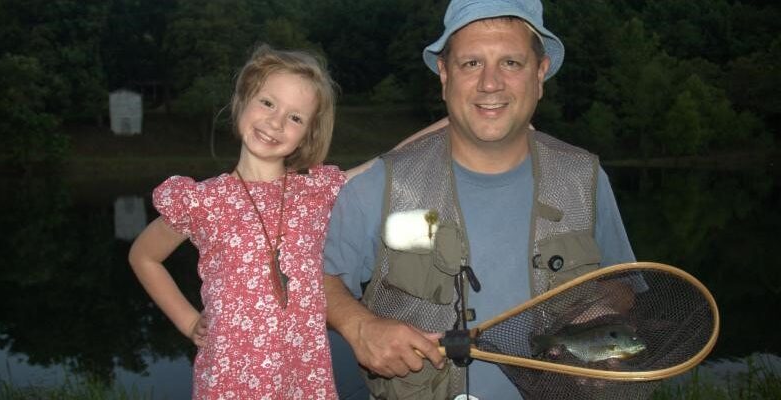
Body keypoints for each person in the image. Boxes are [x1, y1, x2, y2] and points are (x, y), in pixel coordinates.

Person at [322, 0, 636, 399]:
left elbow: (621, 281)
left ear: (540, 74)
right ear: (444, 73)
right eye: (472, 63)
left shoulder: (585, 178)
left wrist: (602, 311)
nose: (491, 83)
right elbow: (319, 279)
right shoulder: (381, 186)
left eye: (511, 63)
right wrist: (359, 325)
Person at [129, 44, 349, 399]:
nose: (276, 122)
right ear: (243, 100)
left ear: (307, 135)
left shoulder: (316, 193)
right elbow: (144, 256)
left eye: (295, 117)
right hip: (230, 379)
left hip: (303, 376)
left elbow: (387, 163)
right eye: (267, 102)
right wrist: (187, 321)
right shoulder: (204, 201)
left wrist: (453, 125)